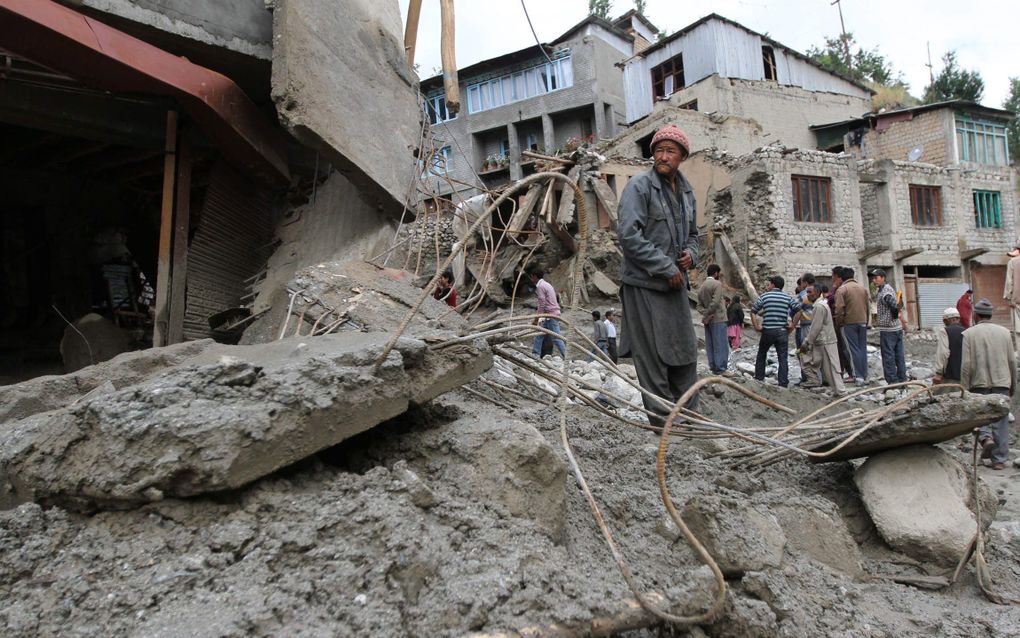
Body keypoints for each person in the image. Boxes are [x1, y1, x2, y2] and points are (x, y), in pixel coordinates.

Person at [617, 123, 701, 421]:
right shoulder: (639, 186)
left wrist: (692, 254)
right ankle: (663, 426)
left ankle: (689, 421)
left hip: (675, 286)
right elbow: (629, 235)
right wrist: (664, 266)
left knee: (684, 352)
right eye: (659, 151)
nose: (664, 157)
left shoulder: (687, 192)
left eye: (671, 151)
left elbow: (694, 235)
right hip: (644, 285)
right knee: (652, 356)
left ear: (682, 157)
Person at [961, 298, 1016, 470]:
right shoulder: (1005, 333)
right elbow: (1012, 361)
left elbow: (966, 365)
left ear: (975, 315)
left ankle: (985, 438)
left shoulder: (969, 334)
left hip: (979, 383)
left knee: (979, 415)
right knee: (1001, 420)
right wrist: (1012, 384)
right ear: (990, 315)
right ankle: (999, 460)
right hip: (1001, 382)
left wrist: (963, 388)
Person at [749, 275, 801, 388]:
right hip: (782, 331)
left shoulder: (765, 296)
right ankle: (783, 382)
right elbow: (798, 310)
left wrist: (757, 326)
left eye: (769, 284)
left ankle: (759, 378)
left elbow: (753, 311)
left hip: (768, 330)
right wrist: (792, 325)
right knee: (783, 357)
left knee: (762, 354)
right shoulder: (787, 297)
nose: (768, 286)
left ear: (773, 284)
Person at [797, 284, 846, 396]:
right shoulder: (821, 305)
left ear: (817, 292)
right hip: (823, 341)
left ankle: (840, 391)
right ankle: (837, 390)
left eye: (810, 292)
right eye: (807, 292)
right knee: (827, 369)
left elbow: (816, 327)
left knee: (832, 368)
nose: (808, 295)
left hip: (825, 341)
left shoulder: (819, 307)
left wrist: (807, 342)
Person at [870, 269, 906, 384]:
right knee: (898, 355)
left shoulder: (886, 292)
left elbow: (895, 306)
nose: (874, 280)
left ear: (883, 278)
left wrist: (893, 317)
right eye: (873, 278)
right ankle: (902, 379)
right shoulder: (886, 290)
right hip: (896, 328)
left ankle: (892, 381)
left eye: (876, 278)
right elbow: (899, 304)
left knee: (888, 356)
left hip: (889, 329)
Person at [834, 267, 870, 383]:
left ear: (841, 277)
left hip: (849, 323)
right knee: (862, 349)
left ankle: (856, 375)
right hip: (863, 321)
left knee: (851, 349)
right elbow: (867, 307)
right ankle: (864, 374)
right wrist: (866, 321)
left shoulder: (842, 289)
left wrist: (839, 323)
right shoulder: (863, 289)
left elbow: (839, 309)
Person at [698, 264, 729, 375]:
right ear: (715, 273)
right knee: (720, 344)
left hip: (708, 320)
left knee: (710, 344)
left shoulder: (702, 286)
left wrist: (706, 314)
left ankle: (713, 367)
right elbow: (716, 302)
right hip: (718, 318)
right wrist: (710, 313)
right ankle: (721, 368)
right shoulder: (717, 284)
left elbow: (699, 306)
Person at [529, 268, 566, 359]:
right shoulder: (547, 284)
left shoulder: (540, 286)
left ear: (534, 276)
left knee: (556, 337)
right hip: (549, 314)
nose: (531, 279)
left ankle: (566, 356)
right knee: (539, 334)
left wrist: (536, 319)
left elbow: (542, 304)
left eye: (531, 277)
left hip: (550, 314)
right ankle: (535, 354)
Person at [933, 307, 964, 384]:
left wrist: (938, 372)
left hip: (950, 374)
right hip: (964, 375)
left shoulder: (945, 331)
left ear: (947, 320)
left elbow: (943, 353)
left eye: (944, 321)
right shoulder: (966, 330)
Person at [1005, 239, 1020, 352]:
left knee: (1018, 332)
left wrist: (1009, 298)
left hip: (1018, 303)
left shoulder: (1013, 262)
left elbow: (1009, 282)